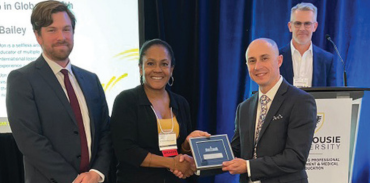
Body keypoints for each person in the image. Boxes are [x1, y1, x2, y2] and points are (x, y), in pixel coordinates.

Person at [6, 1, 111, 183]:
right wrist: (73, 180)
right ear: (38, 36)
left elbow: (105, 132)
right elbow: (30, 141)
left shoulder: (91, 80)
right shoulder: (21, 80)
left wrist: (97, 172)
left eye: (66, 29)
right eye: (52, 30)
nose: (61, 37)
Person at [110, 39, 210, 183]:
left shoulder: (181, 103)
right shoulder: (126, 100)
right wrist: (172, 163)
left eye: (164, 64)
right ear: (140, 68)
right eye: (150, 63)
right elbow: (126, 151)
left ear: (171, 69)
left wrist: (187, 145)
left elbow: (180, 152)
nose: (157, 69)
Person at [222, 38, 316, 183]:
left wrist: (248, 166)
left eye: (264, 58)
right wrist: (198, 160)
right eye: (252, 61)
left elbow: (295, 158)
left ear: (279, 60)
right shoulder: (244, 108)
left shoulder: (300, 101)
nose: (257, 66)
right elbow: (234, 151)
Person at [279, 2, 337, 87]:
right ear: (290, 26)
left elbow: (333, 95)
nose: (302, 28)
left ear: (315, 27)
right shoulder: (276, 57)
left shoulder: (327, 60)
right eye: (298, 23)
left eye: (307, 24)